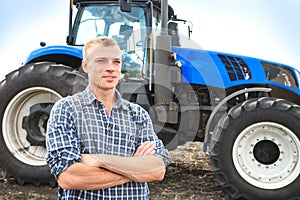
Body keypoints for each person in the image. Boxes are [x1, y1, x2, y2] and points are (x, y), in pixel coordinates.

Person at [46, 36, 169, 199]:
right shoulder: (67, 110)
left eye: (116, 62)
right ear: (85, 66)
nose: (111, 68)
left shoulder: (137, 114)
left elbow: (158, 170)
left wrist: (98, 160)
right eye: (101, 61)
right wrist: (135, 167)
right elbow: (70, 177)